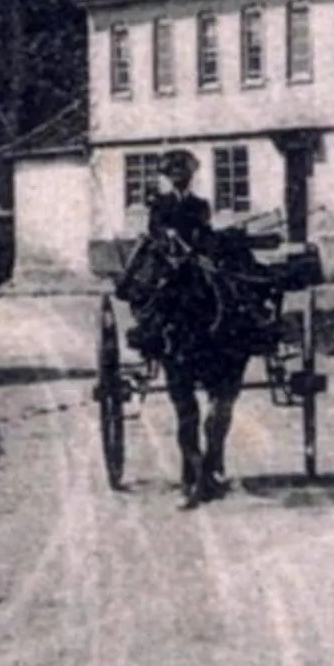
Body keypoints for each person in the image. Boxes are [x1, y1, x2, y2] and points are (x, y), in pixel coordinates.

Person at [119, 148, 257, 507]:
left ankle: (210, 465)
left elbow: (204, 232)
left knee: (221, 280)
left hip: (197, 259)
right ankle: (192, 472)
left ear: (191, 176)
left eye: (184, 172)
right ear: (168, 177)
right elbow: (155, 233)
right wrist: (169, 242)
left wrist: (202, 248)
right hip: (168, 260)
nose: (180, 177)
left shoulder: (199, 204)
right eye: (174, 173)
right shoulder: (160, 204)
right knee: (158, 292)